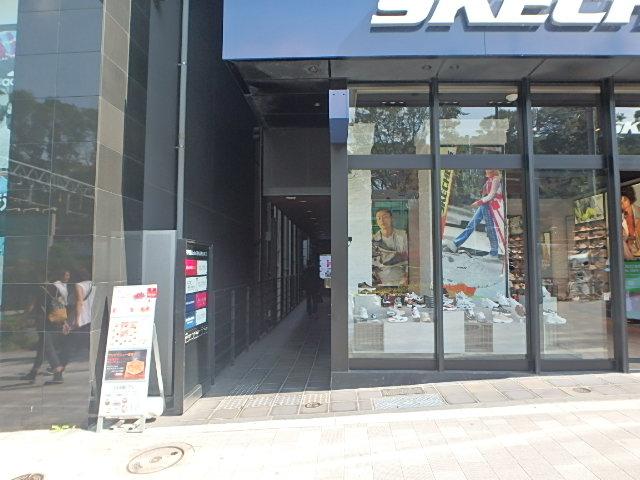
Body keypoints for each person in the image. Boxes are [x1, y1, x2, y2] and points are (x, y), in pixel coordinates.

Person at [21, 270, 71, 384]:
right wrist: (64, 321)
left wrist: (22, 318)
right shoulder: (54, 288)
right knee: (42, 346)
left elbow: (31, 305)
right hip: (54, 320)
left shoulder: (39, 288)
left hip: (42, 320)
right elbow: (60, 305)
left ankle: (57, 372)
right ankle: (34, 372)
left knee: (47, 346)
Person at [444, 169, 505, 258]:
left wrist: (478, 202)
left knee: (490, 228)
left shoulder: (496, 179)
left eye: (488, 169)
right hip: (486, 204)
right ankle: (455, 243)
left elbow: (491, 195)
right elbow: (486, 194)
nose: (486, 170)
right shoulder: (490, 179)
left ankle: (494, 253)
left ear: (492, 170)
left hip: (491, 206)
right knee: (472, 224)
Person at [372, 208, 408, 286]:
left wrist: (407, 276)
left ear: (391, 218)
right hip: (382, 281)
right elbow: (373, 264)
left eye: (385, 217)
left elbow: (410, 258)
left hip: (402, 278)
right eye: (379, 218)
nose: (382, 221)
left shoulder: (403, 235)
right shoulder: (374, 239)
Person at [621, 186, 640, 260]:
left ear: (630, 199)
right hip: (628, 255)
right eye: (620, 201)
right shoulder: (619, 217)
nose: (622, 203)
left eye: (625, 199)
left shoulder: (638, 212)